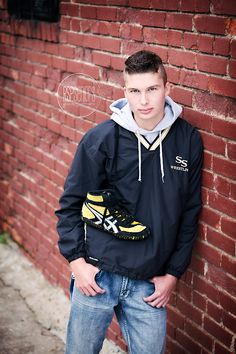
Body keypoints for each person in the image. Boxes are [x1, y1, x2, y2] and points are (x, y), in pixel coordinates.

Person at [55, 50, 203, 354]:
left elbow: (189, 213)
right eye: (135, 91)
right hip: (98, 275)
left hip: (149, 283)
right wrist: (77, 262)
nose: (144, 100)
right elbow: (70, 203)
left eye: (152, 89)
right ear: (125, 92)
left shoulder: (187, 140)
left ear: (166, 88)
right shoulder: (102, 138)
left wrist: (173, 274)